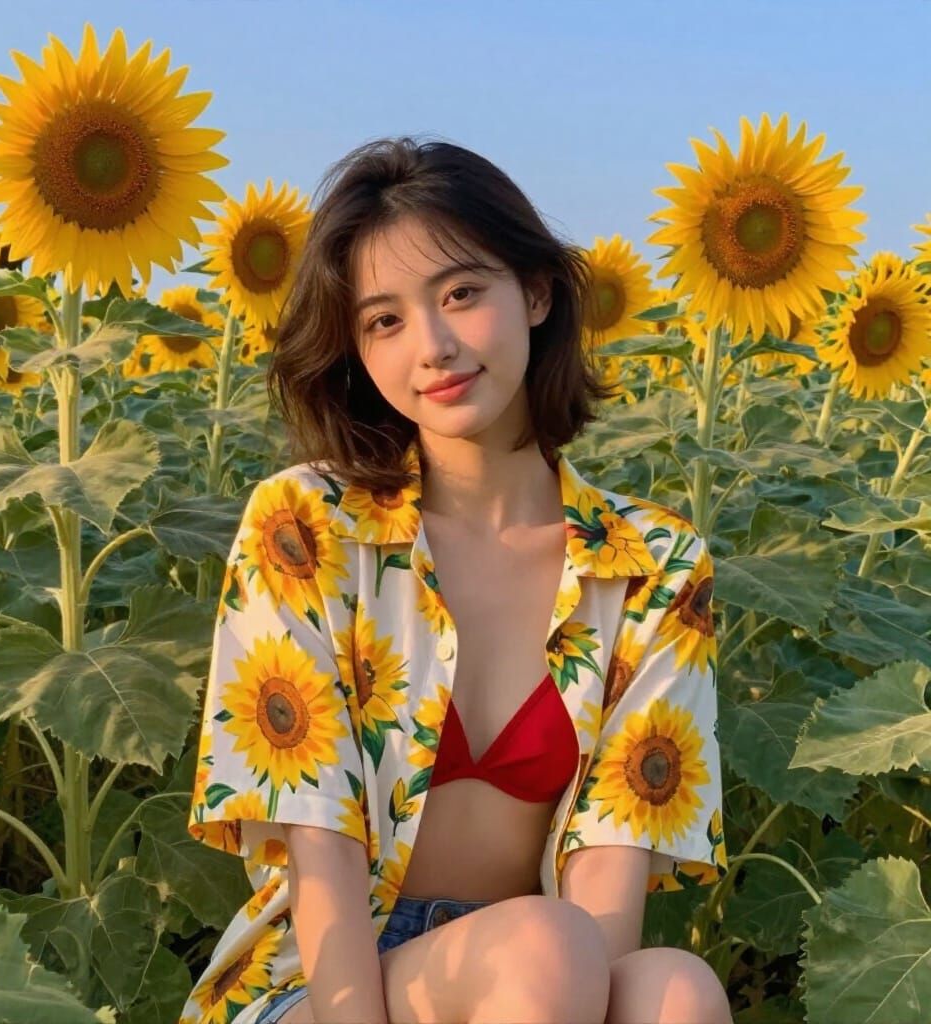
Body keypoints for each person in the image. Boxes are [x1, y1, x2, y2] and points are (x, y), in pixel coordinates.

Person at [181, 136, 731, 1024]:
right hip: (325, 985)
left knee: (677, 992)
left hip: (547, 976)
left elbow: (608, 883)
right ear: (357, 349)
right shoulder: (308, 525)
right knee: (543, 947)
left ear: (538, 293)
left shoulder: (650, 567)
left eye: (462, 294)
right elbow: (318, 848)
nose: (432, 347)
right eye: (384, 320)